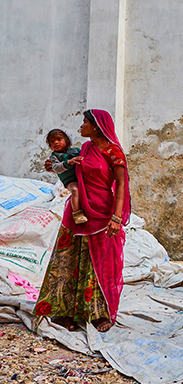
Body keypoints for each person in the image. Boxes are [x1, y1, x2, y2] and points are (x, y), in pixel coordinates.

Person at [34, 110, 130, 332]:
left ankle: (97, 313)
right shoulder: (85, 149)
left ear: (96, 126)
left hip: (102, 213)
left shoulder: (114, 152)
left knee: (98, 263)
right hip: (78, 212)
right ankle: (65, 311)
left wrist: (117, 217)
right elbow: (71, 168)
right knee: (68, 260)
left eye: (85, 122)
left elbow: (121, 185)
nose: (81, 126)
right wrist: (53, 167)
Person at [45, 129, 88, 224]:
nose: (56, 142)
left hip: (82, 177)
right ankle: (77, 214)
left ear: (66, 140)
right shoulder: (55, 156)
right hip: (69, 180)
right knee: (75, 190)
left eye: (59, 139)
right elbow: (56, 167)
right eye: (52, 141)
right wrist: (68, 162)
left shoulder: (76, 150)